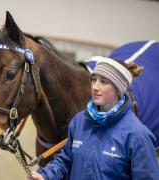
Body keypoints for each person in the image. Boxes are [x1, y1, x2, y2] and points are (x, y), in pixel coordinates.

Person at [28, 56, 159, 180]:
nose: (95, 87)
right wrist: (45, 175)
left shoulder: (137, 135)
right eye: (94, 79)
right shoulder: (80, 122)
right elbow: (66, 160)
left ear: (119, 88)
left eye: (104, 82)